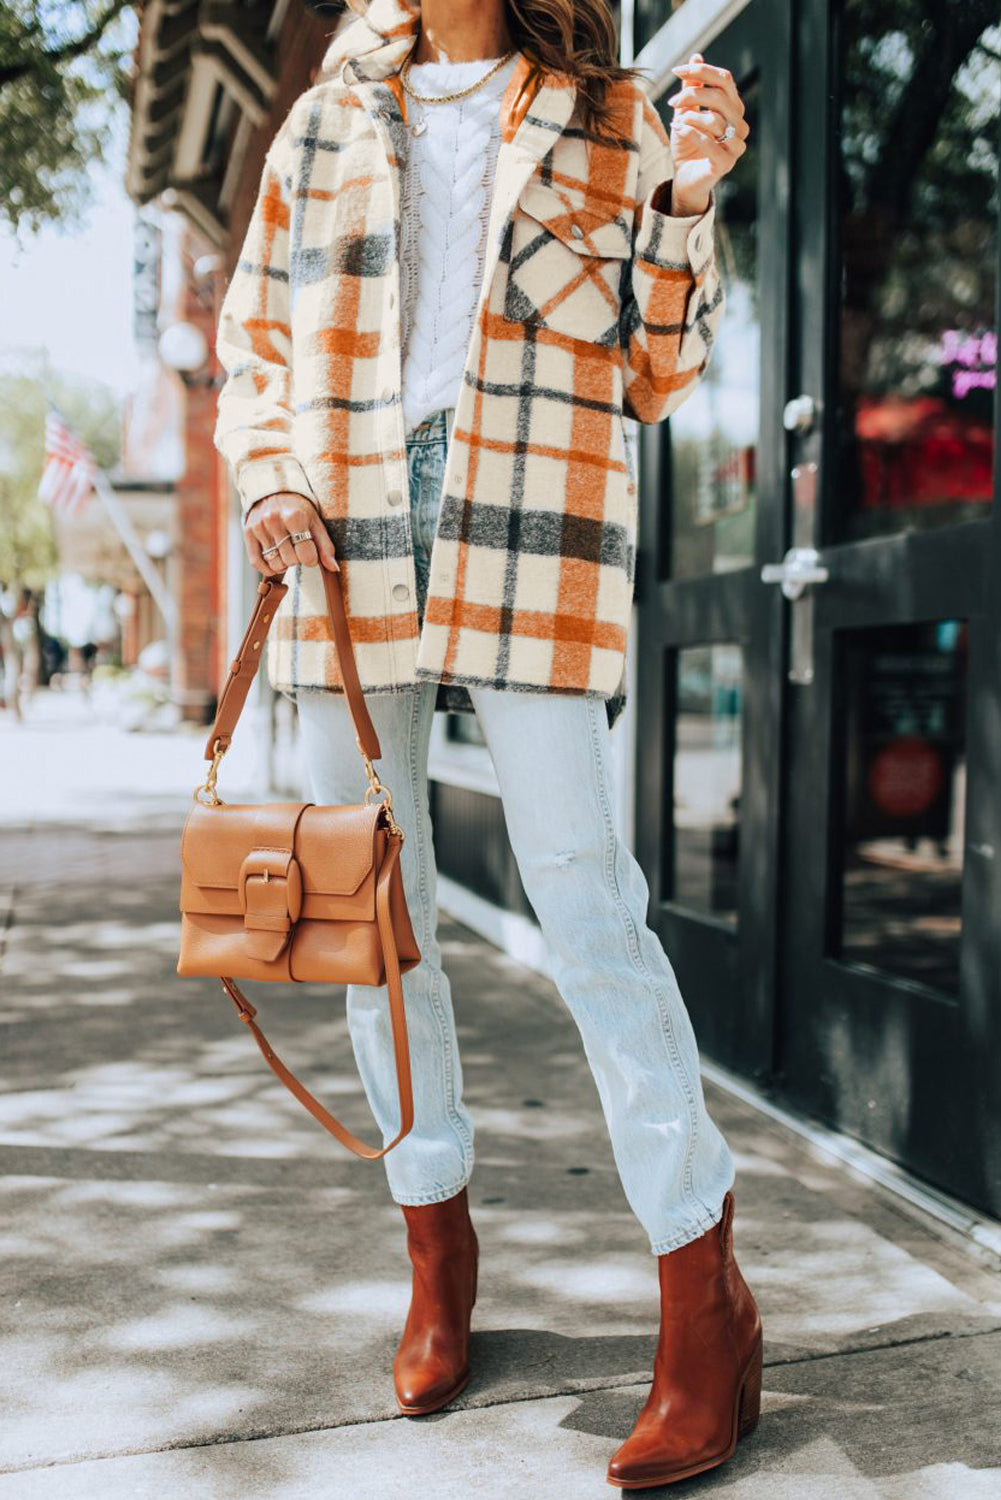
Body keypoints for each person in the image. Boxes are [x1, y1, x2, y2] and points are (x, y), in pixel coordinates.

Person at [213, 0, 759, 1485]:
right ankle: (435, 1250)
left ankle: (700, 1295)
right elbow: (253, 331)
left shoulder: (605, 111)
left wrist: (688, 200)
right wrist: (268, 474)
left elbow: (659, 364)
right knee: (373, 923)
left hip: (534, 513)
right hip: (346, 527)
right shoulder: (326, 118)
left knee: (583, 899)